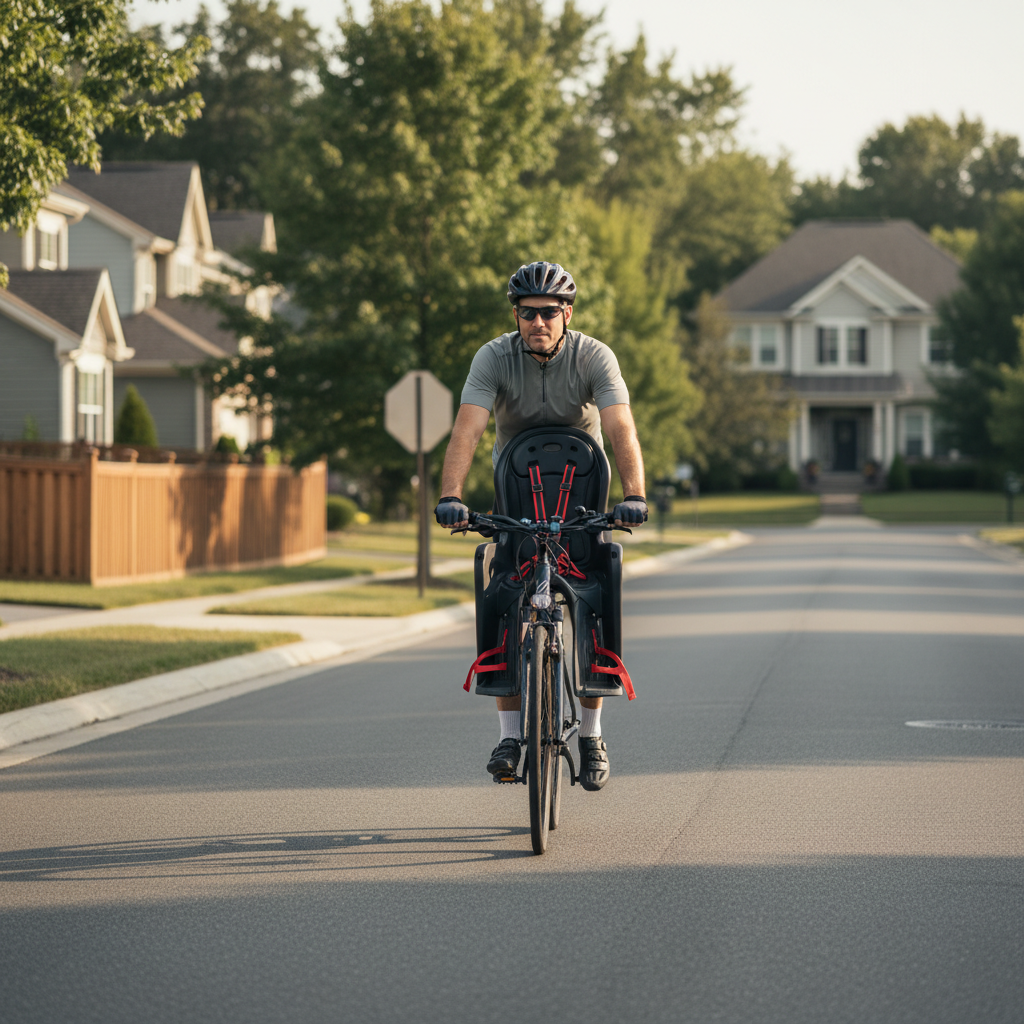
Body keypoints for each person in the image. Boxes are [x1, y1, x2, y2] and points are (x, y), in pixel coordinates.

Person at [434, 261, 648, 791]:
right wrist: (451, 495)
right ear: (516, 315)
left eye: (549, 313)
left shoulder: (594, 355)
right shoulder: (493, 357)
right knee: (502, 590)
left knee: (598, 588)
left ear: (566, 314)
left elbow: (619, 424)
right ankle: (510, 735)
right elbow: (468, 428)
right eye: (528, 313)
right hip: (517, 484)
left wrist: (634, 495)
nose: (538, 322)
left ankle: (593, 734)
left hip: (582, 490)